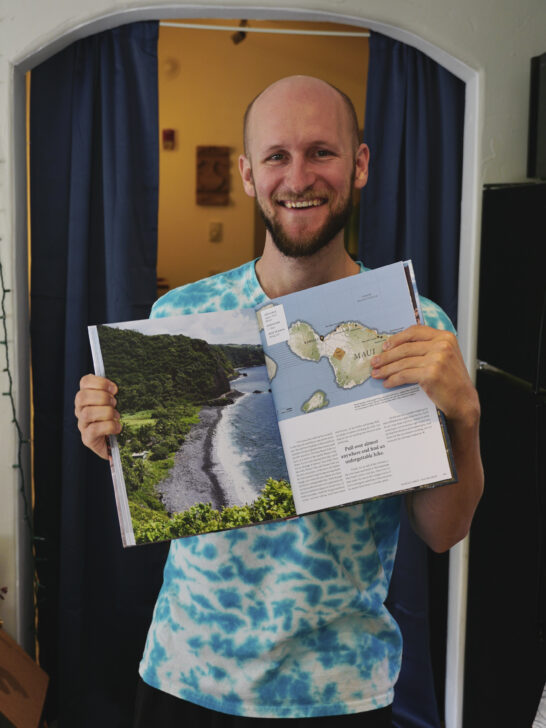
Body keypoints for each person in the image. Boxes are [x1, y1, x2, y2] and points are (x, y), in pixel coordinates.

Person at [74, 76, 484, 727]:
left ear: (360, 164)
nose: (300, 176)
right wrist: (116, 438)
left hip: (341, 691)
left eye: (322, 151)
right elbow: (173, 487)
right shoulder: (180, 316)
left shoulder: (414, 326)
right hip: (188, 680)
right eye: (276, 156)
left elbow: (443, 532)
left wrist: (465, 421)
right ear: (246, 174)